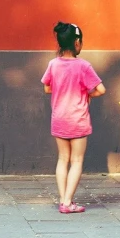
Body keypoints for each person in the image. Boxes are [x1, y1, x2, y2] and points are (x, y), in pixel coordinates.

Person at [41, 21, 106, 214]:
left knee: (62, 159)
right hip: (78, 119)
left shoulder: (53, 64)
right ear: (77, 43)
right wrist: (87, 94)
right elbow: (101, 90)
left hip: (59, 117)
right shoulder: (83, 66)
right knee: (76, 161)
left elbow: (46, 88)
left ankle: (63, 200)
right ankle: (68, 202)